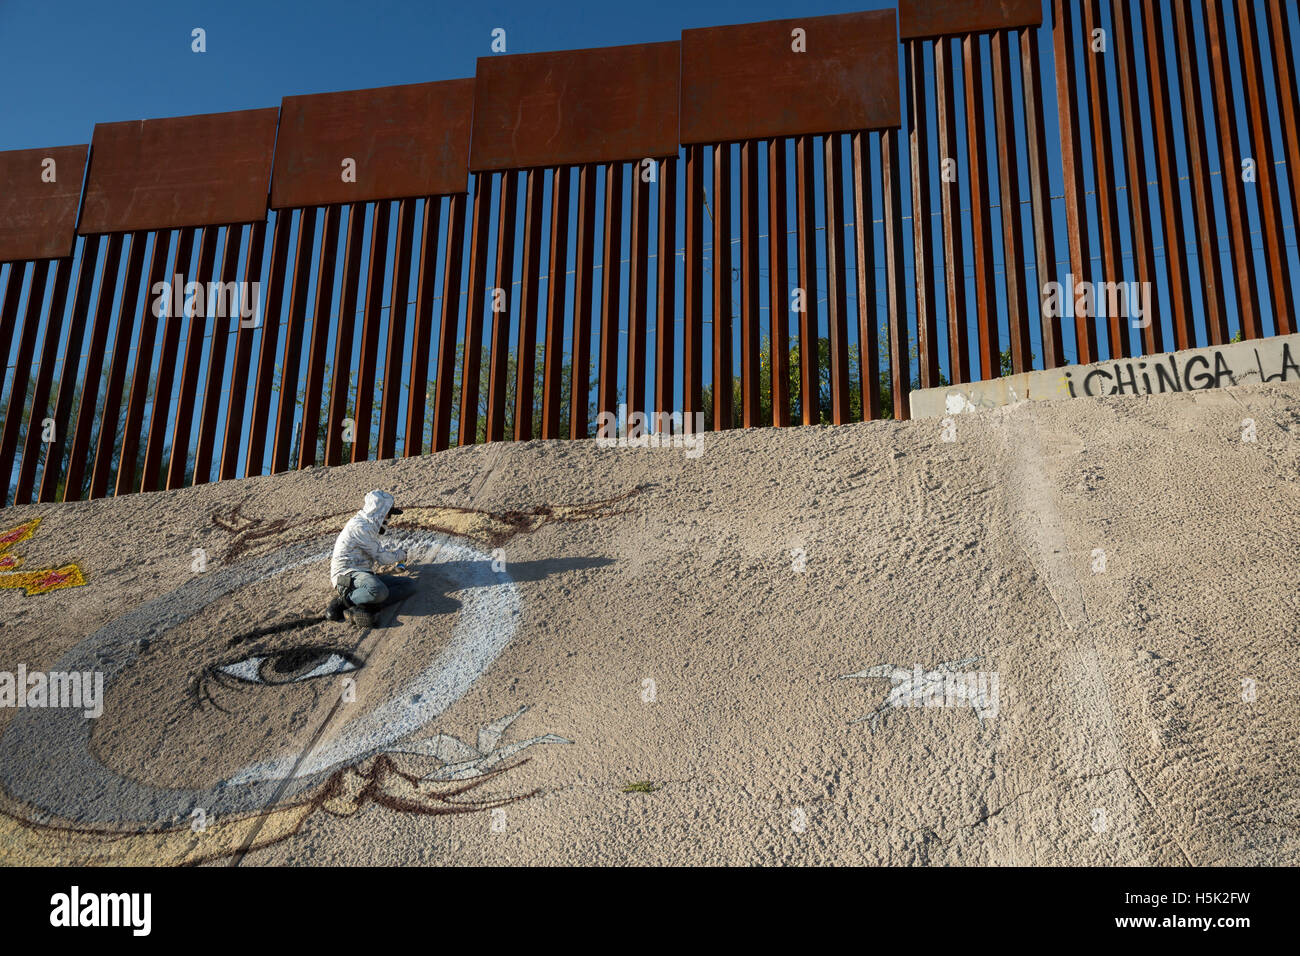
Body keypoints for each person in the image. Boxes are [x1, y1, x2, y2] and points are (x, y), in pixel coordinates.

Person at [326, 490, 410, 628]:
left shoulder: (369, 527)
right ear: (381, 511)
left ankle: (366, 607)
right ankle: (344, 601)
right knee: (378, 590)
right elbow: (382, 558)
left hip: (363, 575)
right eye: (388, 513)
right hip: (347, 574)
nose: (389, 518)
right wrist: (401, 555)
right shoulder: (360, 527)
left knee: (408, 585)